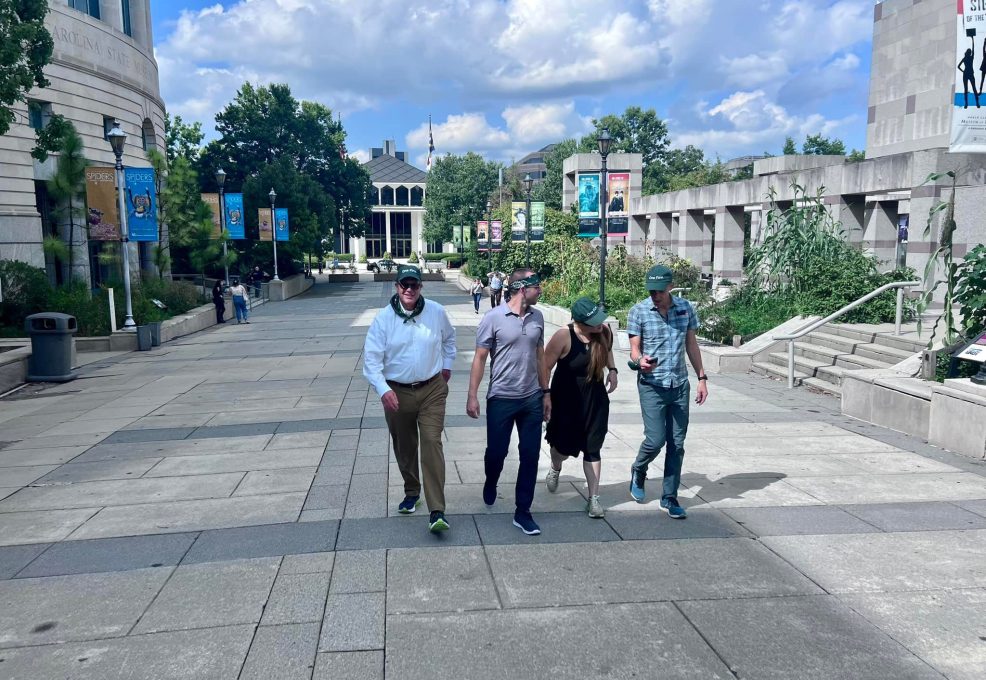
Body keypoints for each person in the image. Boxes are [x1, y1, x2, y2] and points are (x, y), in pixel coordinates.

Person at [363, 265, 456, 533]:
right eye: (404, 284)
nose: (409, 289)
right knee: (404, 446)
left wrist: (447, 365)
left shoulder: (436, 312)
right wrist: (383, 389)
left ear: (421, 287)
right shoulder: (383, 319)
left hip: (432, 389)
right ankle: (412, 491)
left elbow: (449, 340)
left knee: (431, 442)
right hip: (397, 392)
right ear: (396, 287)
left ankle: (437, 510)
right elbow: (371, 360)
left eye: (414, 285)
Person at [467, 268, 549, 536]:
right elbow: (479, 358)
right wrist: (472, 395)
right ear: (523, 288)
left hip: (532, 398)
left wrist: (546, 392)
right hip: (501, 397)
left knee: (530, 455)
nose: (541, 290)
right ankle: (491, 481)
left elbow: (540, 356)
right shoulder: (493, 318)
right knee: (497, 453)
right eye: (537, 285)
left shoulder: (538, 317)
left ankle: (523, 511)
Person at [627, 264, 708, 519]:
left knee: (677, 443)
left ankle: (670, 496)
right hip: (652, 385)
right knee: (655, 439)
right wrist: (640, 361)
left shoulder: (685, 308)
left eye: (659, 291)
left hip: (679, 385)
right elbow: (634, 349)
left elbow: (691, 344)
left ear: (670, 287)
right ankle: (639, 469)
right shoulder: (638, 311)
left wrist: (702, 377)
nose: (655, 295)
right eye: (651, 291)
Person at [542, 298, 617, 518]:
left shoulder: (603, 331)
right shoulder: (563, 336)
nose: (599, 325)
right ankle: (556, 467)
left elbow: (608, 350)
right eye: (594, 322)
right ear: (580, 322)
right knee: (562, 448)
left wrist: (612, 370)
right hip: (566, 399)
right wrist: (545, 395)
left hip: (595, 398)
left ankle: (594, 499)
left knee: (593, 448)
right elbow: (545, 367)